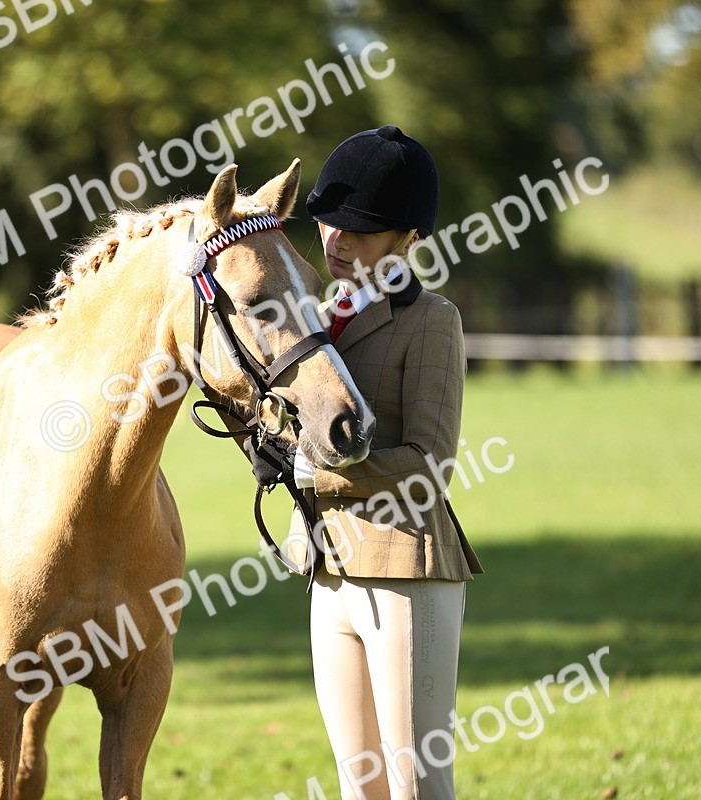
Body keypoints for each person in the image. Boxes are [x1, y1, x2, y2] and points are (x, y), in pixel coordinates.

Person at [287, 125, 483, 800]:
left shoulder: (431, 320)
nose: (337, 243)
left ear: (408, 240)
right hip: (329, 567)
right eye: (329, 226)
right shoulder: (310, 321)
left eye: (359, 231)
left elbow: (430, 462)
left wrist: (322, 472)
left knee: (417, 784)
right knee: (357, 784)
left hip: (406, 566)